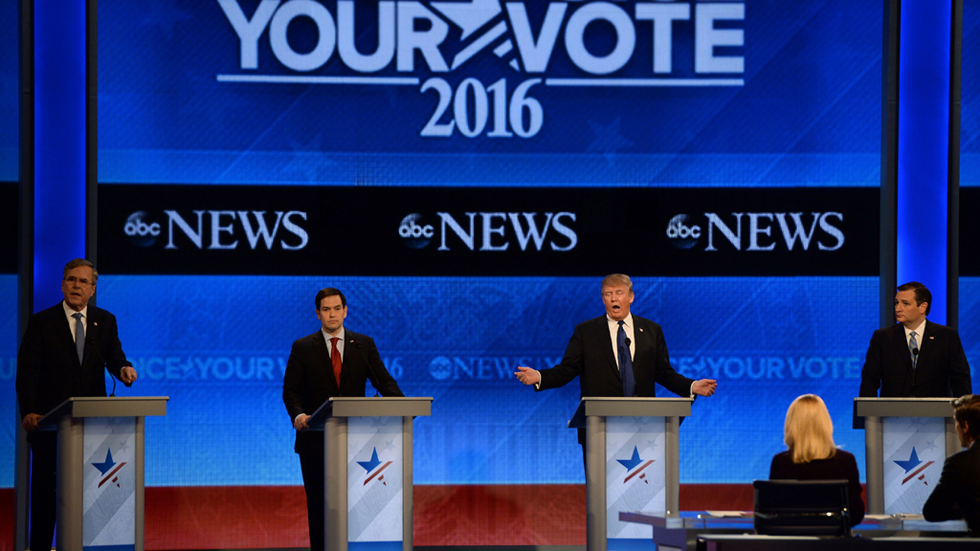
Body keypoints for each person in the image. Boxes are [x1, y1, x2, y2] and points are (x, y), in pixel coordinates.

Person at [16, 258, 138, 551]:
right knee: (45, 498)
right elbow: (26, 372)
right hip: (50, 425)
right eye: (71, 279)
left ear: (92, 289)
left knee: (92, 499)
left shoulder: (105, 321)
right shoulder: (42, 322)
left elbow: (114, 356)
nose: (77, 286)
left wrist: (124, 368)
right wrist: (29, 410)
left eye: (84, 281)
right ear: (62, 284)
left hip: (92, 428)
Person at [514, 274, 717, 445]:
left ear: (631, 297)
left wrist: (692, 386)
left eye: (619, 293)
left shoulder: (651, 330)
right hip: (599, 427)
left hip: (642, 426)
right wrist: (540, 376)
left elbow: (663, 373)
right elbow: (568, 369)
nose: (613, 299)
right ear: (603, 299)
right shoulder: (586, 332)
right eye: (607, 294)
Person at [282, 287, 404, 551]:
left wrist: (402, 405)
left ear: (345, 311)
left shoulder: (363, 344)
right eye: (326, 310)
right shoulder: (303, 347)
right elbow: (290, 390)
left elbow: (383, 381)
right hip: (315, 442)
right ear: (318, 314)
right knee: (320, 507)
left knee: (359, 508)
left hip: (358, 442)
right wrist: (298, 414)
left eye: (337, 309)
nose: (332, 314)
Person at [859, 281, 971, 398]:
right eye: (896, 303)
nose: (898, 308)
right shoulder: (883, 337)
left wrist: (965, 408)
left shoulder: (946, 336)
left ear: (922, 307)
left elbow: (961, 379)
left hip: (933, 408)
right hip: (893, 408)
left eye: (905, 303)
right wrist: (867, 409)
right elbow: (869, 380)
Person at [769, 394, 865, 527]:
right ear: (825, 423)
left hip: (792, 538)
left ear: (791, 425)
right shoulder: (846, 461)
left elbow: (773, 512)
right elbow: (856, 513)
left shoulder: (780, 462)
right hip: (834, 538)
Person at [923, 394, 980, 534]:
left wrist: (964, 506)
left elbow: (932, 511)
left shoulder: (959, 463)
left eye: (956, 422)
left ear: (965, 426)